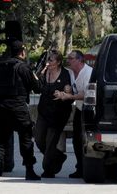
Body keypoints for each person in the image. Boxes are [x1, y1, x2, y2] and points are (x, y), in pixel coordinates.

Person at [0, 40, 41, 181]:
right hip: (18, 107)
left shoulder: (1, 66)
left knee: (0, 139)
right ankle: (29, 170)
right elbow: (37, 88)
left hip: (2, 106)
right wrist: (36, 75)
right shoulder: (24, 67)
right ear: (22, 52)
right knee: (26, 138)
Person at [35, 49, 73, 178]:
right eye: (48, 60)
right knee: (39, 139)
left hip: (58, 114)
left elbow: (69, 91)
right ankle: (59, 156)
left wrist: (63, 94)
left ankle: (48, 169)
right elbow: (37, 88)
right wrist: (40, 73)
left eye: (51, 60)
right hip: (44, 112)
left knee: (51, 142)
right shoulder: (44, 73)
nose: (48, 62)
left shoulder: (65, 74)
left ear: (58, 62)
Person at [55, 50, 92, 178]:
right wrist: (66, 90)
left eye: (71, 58)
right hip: (79, 108)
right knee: (76, 140)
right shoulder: (71, 72)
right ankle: (80, 167)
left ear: (79, 60)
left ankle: (85, 167)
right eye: (68, 58)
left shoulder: (88, 73)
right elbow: (69, 86)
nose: (68, 60)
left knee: (84, 140)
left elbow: (86, 94)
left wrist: (70, 96)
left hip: (89, 109)